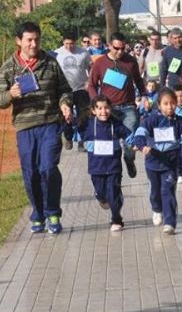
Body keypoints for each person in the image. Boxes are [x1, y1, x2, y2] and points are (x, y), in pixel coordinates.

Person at [0, 22, 73, 234]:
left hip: (49, 124)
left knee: (48, 168)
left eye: (36, 39)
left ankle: (53, 212)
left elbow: (65, 90)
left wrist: (65, 104)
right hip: (25, 127)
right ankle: (37, 213)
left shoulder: (51, 63)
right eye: (29, 40)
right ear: (19, 41)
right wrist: (11, 94)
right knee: (31, 173)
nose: (33, 44)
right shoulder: (8, 68)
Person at [132, 88, 182, 235]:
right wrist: (143, 146)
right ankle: (156, 209)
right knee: (155, 192)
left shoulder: (179, 121)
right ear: (159, 105)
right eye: (166, 104)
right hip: (153, 162)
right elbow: (139, 134)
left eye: (172, 103)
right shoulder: (151, 120)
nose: (170, 107)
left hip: (170, 163)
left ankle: (170, 222)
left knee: (168, 191)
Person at [66, 95, 133, 232]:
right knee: (102, 194)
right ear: (93, 110)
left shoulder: (116, 124)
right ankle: (101, 197)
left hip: (114, 167)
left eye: (107, 108)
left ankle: (116, 219)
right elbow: (73, 135)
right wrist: (67, 124)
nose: (104, 111)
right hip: (96, 169)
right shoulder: (88, 126)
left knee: (113, 194)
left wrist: (138, 144)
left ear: (111, 108)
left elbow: (129, 135)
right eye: (100, 108)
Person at [87, 32, 146, 178]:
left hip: (128, 107)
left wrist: (145, 96)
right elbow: (92, 85)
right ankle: (113, 170)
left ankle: (129, 159)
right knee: (111, 141)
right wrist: (96, 103)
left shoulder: (131, 61)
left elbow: (138, 81)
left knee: (129, 139)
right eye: (116, 48)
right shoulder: (100, 63)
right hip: (108, 109)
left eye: (122, 48)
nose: (120, 51)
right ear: (108, 46)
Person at [55, 34, 93, 151]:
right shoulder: (56, 54)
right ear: (63, 42)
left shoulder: (83, 53)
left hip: (81, 88)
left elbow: (91, 67)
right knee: (66, 116)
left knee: (83, 116)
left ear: (75, 42)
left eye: (71, 44)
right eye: (66, 44)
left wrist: (89, 81)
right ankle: (68, 136)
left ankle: (82, 141)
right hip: (64, 91)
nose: (69, 46)